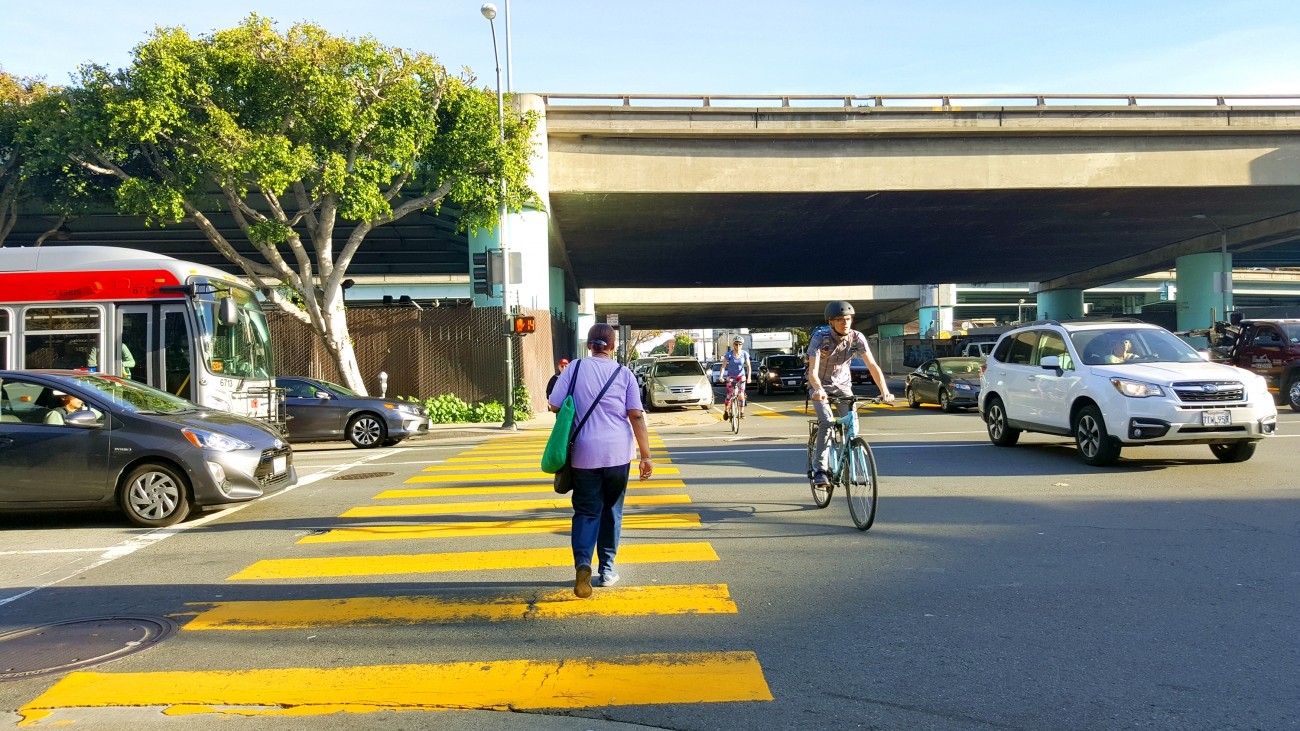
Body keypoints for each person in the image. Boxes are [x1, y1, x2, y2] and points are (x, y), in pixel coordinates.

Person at [547, 323, 653, 598]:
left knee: (586, 511)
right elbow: (636, 415)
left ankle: (583, 563)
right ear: (613, 346)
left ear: (589, 344)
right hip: (617, 454)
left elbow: (555, 405)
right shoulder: (624, 373)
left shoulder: (574, 368)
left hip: (583, 454)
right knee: (612, 510)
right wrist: (646, 456)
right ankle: (607, 570)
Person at [806, 301, 895, 488]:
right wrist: (819, 390)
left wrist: (884, 391)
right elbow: (812, 371)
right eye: (839, 320)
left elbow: (872, 365)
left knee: (852, 423)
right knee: (827, 423)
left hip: (843, 386)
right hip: (820, 386)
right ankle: (820, 470)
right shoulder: (820, 337)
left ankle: (849, 451)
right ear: (831, 322)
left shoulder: (857, 338)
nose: (845, 323)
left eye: (848, 319)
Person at [720, 336, 752, 419]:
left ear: (742, 345)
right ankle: (726, 410)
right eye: (736, 344)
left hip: (741, 376)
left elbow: (748, 366)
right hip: (731, 376)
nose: (738, 346)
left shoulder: (745, 354)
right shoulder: (729, 354)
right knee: (729, 395)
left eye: (740, 344)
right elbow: (723, 367)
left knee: (741, 395)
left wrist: (749, 377)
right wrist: (721, 377)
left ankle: (741, 412)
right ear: (733, 345)